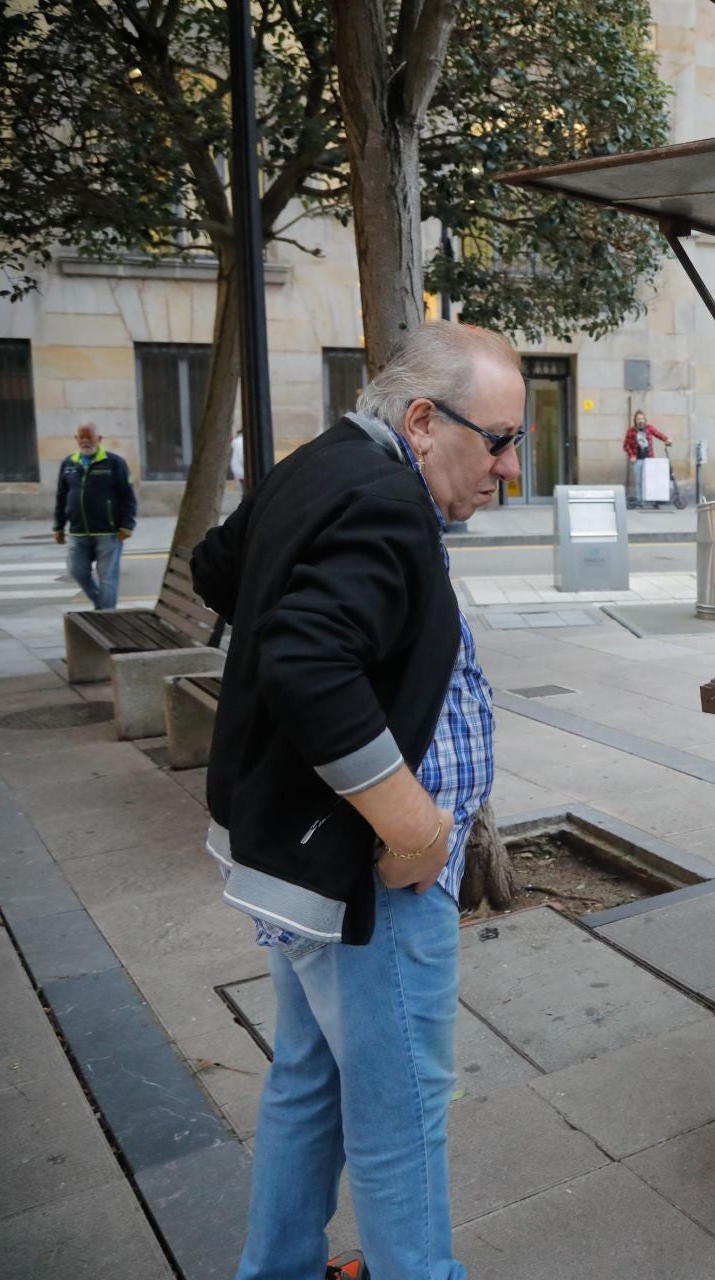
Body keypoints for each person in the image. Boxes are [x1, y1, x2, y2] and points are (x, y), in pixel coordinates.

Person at [191, 321, 525, 1280]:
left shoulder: (324, 463)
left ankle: (279, 1266)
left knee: (310, 1080)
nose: (507, 466)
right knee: (402, 1115)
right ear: (422, 421)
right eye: (498, 440)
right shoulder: (385, 499)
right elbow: (305, 659)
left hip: (297, 863)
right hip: (363, 878)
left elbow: (223, 569)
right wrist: (410, 822)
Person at [52, 422, 136, 610]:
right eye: (81, 437)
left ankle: (105, 617)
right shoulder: (69, 464)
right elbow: (61, 496)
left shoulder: (114, 462)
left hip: (108, 532)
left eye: (89, 436)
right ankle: (102, 604)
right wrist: (58, 527)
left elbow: (128, 496)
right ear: (76, 439)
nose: (85, 441)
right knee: (77, 571)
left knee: (107, 578)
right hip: (77, 532)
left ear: (99, 438)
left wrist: (127, 525)